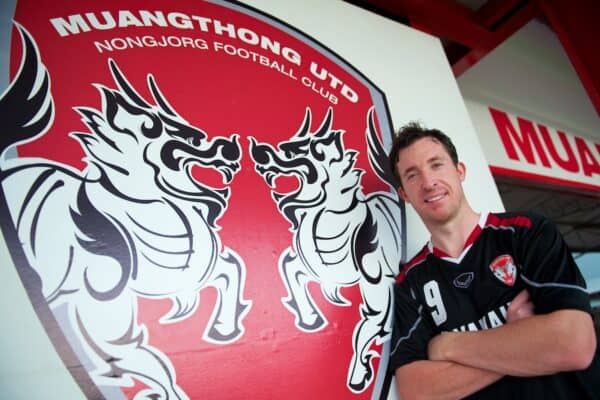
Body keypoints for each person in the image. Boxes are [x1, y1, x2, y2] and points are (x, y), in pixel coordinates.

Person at [387, 122, 599, 399]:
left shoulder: (526, 232)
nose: (428, 183)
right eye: (413, 175)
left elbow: (574, 344)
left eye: (436, 165)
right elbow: (417, 390)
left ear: (460, 171)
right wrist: (518, 339)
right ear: (404, 194)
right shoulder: (410, 283)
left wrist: (449, 346)